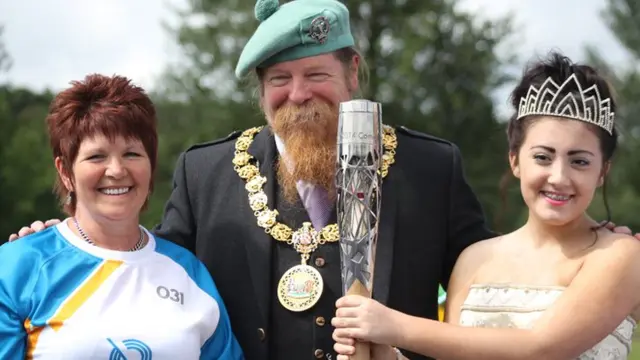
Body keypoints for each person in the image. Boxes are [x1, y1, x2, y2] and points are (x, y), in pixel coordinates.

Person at [7, 1, 639, 359]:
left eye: (316, 75)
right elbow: (150, 273)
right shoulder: (207, 170)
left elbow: (488, 283)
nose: (298, 94)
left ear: (353, 72)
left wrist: (586, 243)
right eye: (279, 81)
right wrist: (62, 242)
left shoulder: (429, 166)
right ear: (260, 91)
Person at [331, 53, 640, 360]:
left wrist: (393, 326)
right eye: (543, 157)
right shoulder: (474, 259)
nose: (559, 177)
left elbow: (542, 348)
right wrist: (388, 356)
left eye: (580, 162)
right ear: (515, 160)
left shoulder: (619, 255)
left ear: (602, 172)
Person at [0, 74, 244, 359]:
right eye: (96, 157)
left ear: (151, 166)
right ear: (66, 172)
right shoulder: (18, 266)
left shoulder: (190, 272)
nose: (116, 170)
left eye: (131, 154)